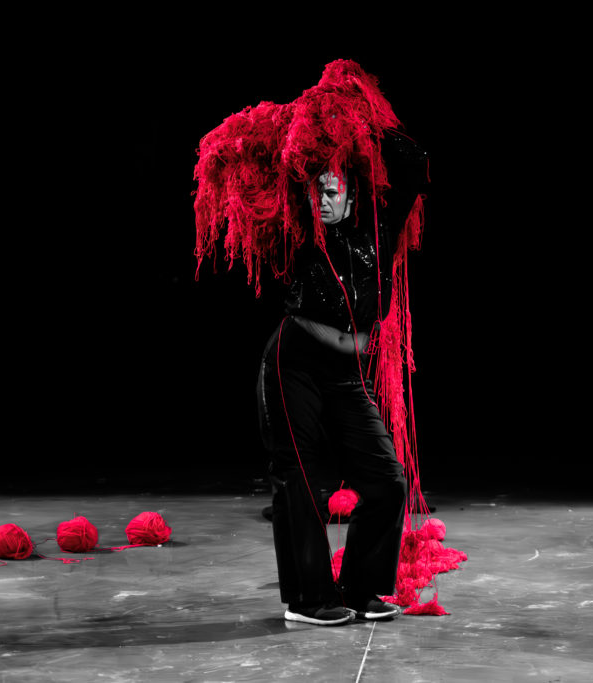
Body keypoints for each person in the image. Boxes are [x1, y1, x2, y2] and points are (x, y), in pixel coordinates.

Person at [193, 60, 429, 626]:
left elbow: (413, 161)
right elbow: (245, 159)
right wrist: (304, 127)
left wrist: (358, 124)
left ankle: (362, 589)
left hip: (345, 374)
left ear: (352, 189)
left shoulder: (379, 228)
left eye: (331, 189)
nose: (322, 199)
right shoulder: (300, 233)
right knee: (299, 479)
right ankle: (307, 600)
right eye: (315, 190)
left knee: (386, 480)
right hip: (293, 362)